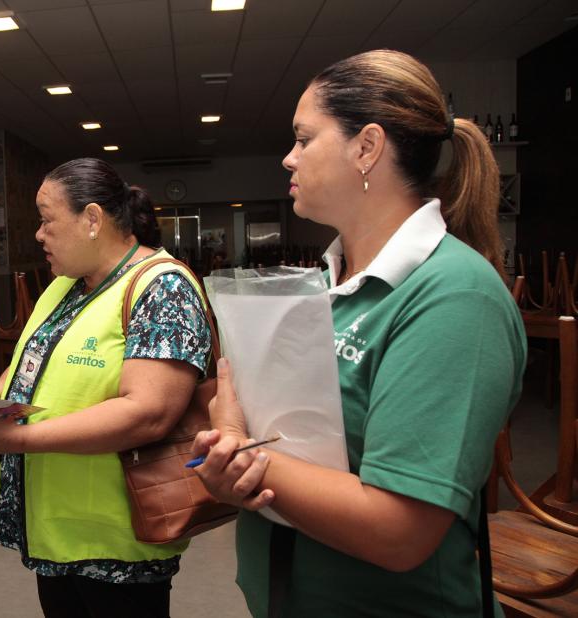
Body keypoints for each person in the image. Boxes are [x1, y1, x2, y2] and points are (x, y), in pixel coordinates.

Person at [191, 50, 527, 617]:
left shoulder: (452, 295)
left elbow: (398, 531)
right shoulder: (325, 281)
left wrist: (240, 450)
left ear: (366, 147)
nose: (288, 157)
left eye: (304, 139)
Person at [0, 158, 212, 618]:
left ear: (93, 219)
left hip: (117, 540)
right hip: (57, 531)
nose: (38, 235)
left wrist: (16, 439)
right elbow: (32, 366)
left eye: (46, 220)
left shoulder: (163, 288)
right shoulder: (65, 286)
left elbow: (148, 411)